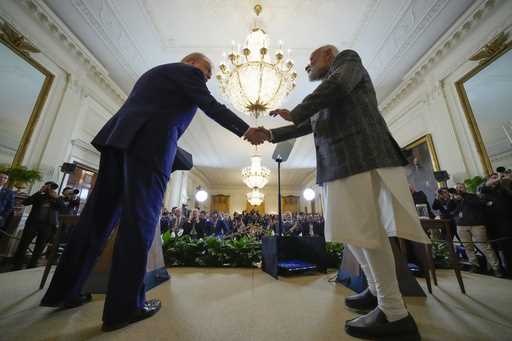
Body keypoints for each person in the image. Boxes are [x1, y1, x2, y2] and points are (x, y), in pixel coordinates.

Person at [41, 52, 261, 331]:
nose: (207, 79)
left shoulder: (152, 74)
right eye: (207, 73)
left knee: (96, 219)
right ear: (193, 64)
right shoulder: (187, 73)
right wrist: (246, 130)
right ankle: (125, 307)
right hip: (150, 145)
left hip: (118, 141)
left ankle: (64, 292)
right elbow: (210, 105)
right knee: (140, 221)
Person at [246, 45, 429, 339]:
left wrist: (296, 110)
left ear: (329, 55)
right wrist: (270, 134)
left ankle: (395, 313)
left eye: (312, 60)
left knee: (368, 232)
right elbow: (308, 124)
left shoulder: (347, 61)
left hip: (359, 156)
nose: (308, 66)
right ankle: (375, 290)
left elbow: (336, 87)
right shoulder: (327, 96)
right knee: (349, 232)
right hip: (337, 165)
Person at [452, 183, 502, 277]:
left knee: (485, 246)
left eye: (461, 188)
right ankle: (474, 265)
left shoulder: (473, 196)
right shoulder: (455, 200)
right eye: (457, 188)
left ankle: (496, 268)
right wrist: (454, 200)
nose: (459, 190)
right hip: (461, 226)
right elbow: (451, 211)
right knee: (468, 247)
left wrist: (464, 196)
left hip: (476, 225)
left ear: (465, 188)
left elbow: (478, 204)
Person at [12, 182, 62, 270]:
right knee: (24, 244)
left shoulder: (56, 198)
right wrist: (39, 191)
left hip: (47, 226)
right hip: (33, 224)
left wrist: (57, 198)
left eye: (53, 187)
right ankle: (17, 265)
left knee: (40, 247)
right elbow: (26, 202)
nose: (51, 189)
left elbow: (63, 209)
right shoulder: (39, 195)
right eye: (49, 186)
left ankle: (32, 266)